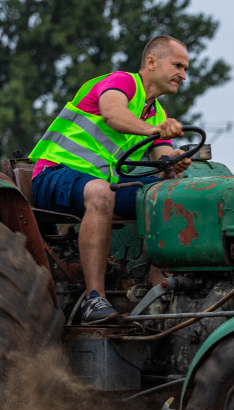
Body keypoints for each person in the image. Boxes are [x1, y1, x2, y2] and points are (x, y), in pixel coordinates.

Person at [29, 35, 192, 323]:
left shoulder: (155, 111)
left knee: (166, 195)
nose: (183, 74)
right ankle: (94, 299)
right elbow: (113, 114)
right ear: (151, 62)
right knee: (101, 192)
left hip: (96, 184)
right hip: (53, 175)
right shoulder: (122, 83)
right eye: (178, 65)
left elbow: (163, 159)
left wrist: (176, 162)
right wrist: (154, 130)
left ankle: (160, 290)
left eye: (186, 69)